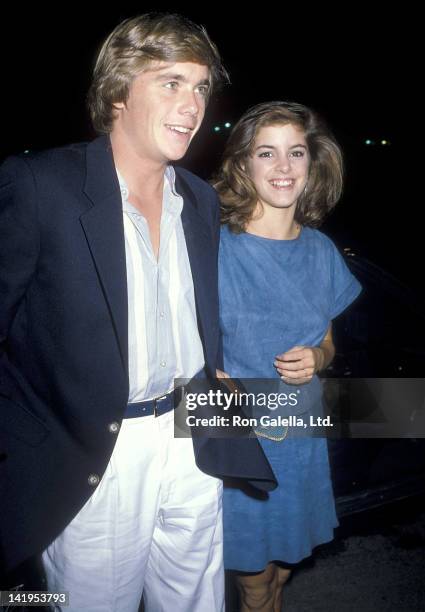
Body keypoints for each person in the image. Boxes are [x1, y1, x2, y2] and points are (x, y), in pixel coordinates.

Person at [0, 14, 275, 612]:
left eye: (201, 86)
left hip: (192, 437)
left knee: (198, 601)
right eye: (172, 82)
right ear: (120, 91)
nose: (193, 104)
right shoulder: (41, 184)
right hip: (97, 452)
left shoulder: (199, 199)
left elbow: (198, 317)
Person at [214, 101, 362, 611]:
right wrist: (211, 380)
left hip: (300, 437)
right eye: (266, 153)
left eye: (295, 152)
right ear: (244, 164)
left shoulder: (320, 250)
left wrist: (318, 361)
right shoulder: (214, 247)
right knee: (253, 583)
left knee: (279, 574)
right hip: (242, 443)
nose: (283, 167)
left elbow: (327, 342)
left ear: (311, 163)